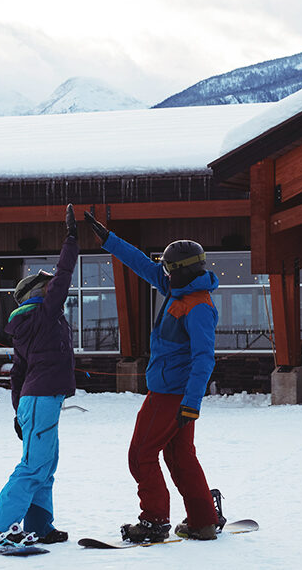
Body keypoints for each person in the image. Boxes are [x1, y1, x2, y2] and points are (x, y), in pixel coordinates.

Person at [84, 210, 224, 542]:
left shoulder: (198, 306)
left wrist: (191, 404)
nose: (161, 272)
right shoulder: (177, 288)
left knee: (141, 454)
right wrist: (109, 240)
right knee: (179, 455)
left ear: (181, 271)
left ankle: (154, 520)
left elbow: (204, 358)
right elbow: (143, 265)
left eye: (167, 268)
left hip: (171, 395)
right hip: (172, 392)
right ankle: (203, 520)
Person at [0, 203, 79, 549]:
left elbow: (18, 374)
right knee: (34, 466)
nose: (52, 287)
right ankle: (3, 524)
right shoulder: (43, 313)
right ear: (38, 295)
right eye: (46, 285)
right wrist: (71, 240)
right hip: (41, 399)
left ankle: (39, 525)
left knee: (45, 464)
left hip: (36, 400)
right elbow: (64, 274)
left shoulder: (30, 323)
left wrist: (17, 412)